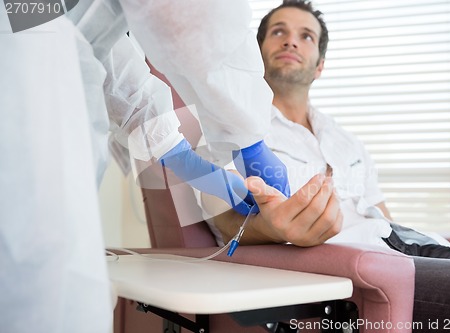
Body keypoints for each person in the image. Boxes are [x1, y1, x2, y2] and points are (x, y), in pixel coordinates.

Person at [204, 1, 450, 331]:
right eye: (278, 32)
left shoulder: (344, 138)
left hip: (402, 242)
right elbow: (221, 219)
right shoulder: (235, 129)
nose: (291, 41)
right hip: (354, 265)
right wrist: (271, 229)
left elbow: (380, 211)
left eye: (306, 37)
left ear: (319, 67)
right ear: (256, 55)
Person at [0, 1, 290, 332]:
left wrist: (186, 159)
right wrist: (246, 131)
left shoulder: (46, 20)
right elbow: (194, 14)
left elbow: (95, 45)